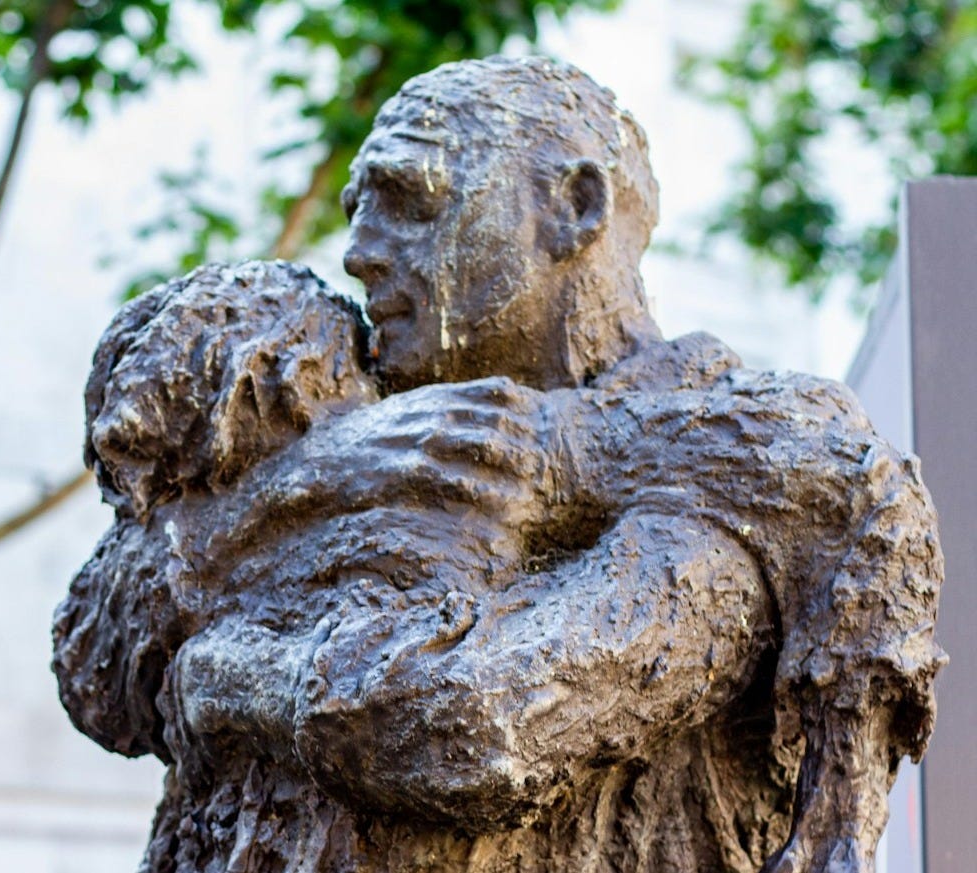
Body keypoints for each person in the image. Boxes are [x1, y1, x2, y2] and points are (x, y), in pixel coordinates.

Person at [54, 58, 944, 873]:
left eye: (411, 199)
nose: (361, 250)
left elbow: (478, 726)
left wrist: (227, 677)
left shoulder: (731, 488)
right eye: (358, 210)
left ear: (576, 209)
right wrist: (309, 483)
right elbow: (99, 660)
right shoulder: (339, 401)